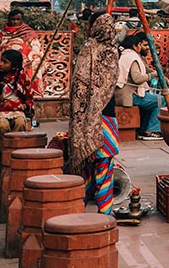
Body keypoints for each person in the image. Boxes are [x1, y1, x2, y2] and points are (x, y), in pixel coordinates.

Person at [68, 13, 121, 214]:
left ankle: (82, 205)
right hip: (106, 114)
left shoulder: (87, 50)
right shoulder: (111, 51)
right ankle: (104, 210)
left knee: (89, 163)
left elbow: (77, 87)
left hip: (90, 116)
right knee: (104, 163)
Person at [0, 49, 35, 164]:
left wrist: (24, 106)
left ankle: (16, 154)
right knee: (2, 126)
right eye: (1, 61)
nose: (1, 64)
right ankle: (2, 154)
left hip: (18, 112)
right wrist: (3, 105)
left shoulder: (23, 78)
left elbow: (29, 99)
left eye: (5, 62)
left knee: (20, 123)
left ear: (14, 65)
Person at [116, 34, 164, 140]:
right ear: (135, 46)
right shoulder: (132, 57)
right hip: (129, 95)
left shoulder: (123, 55)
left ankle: (143, 130)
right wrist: (152, 75)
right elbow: (137, 78)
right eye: (139, 45)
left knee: (152, 102)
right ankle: (152, 130)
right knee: (161, 100)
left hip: (120, 94)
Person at [0, 9, 44, 97]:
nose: (15, 22)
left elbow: (36, 51)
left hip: (25, 67)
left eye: (18, 19)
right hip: (8, 67)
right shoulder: (4, 34)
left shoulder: (29, 34)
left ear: (22, 20)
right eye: (13, 19)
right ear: (9, 20)